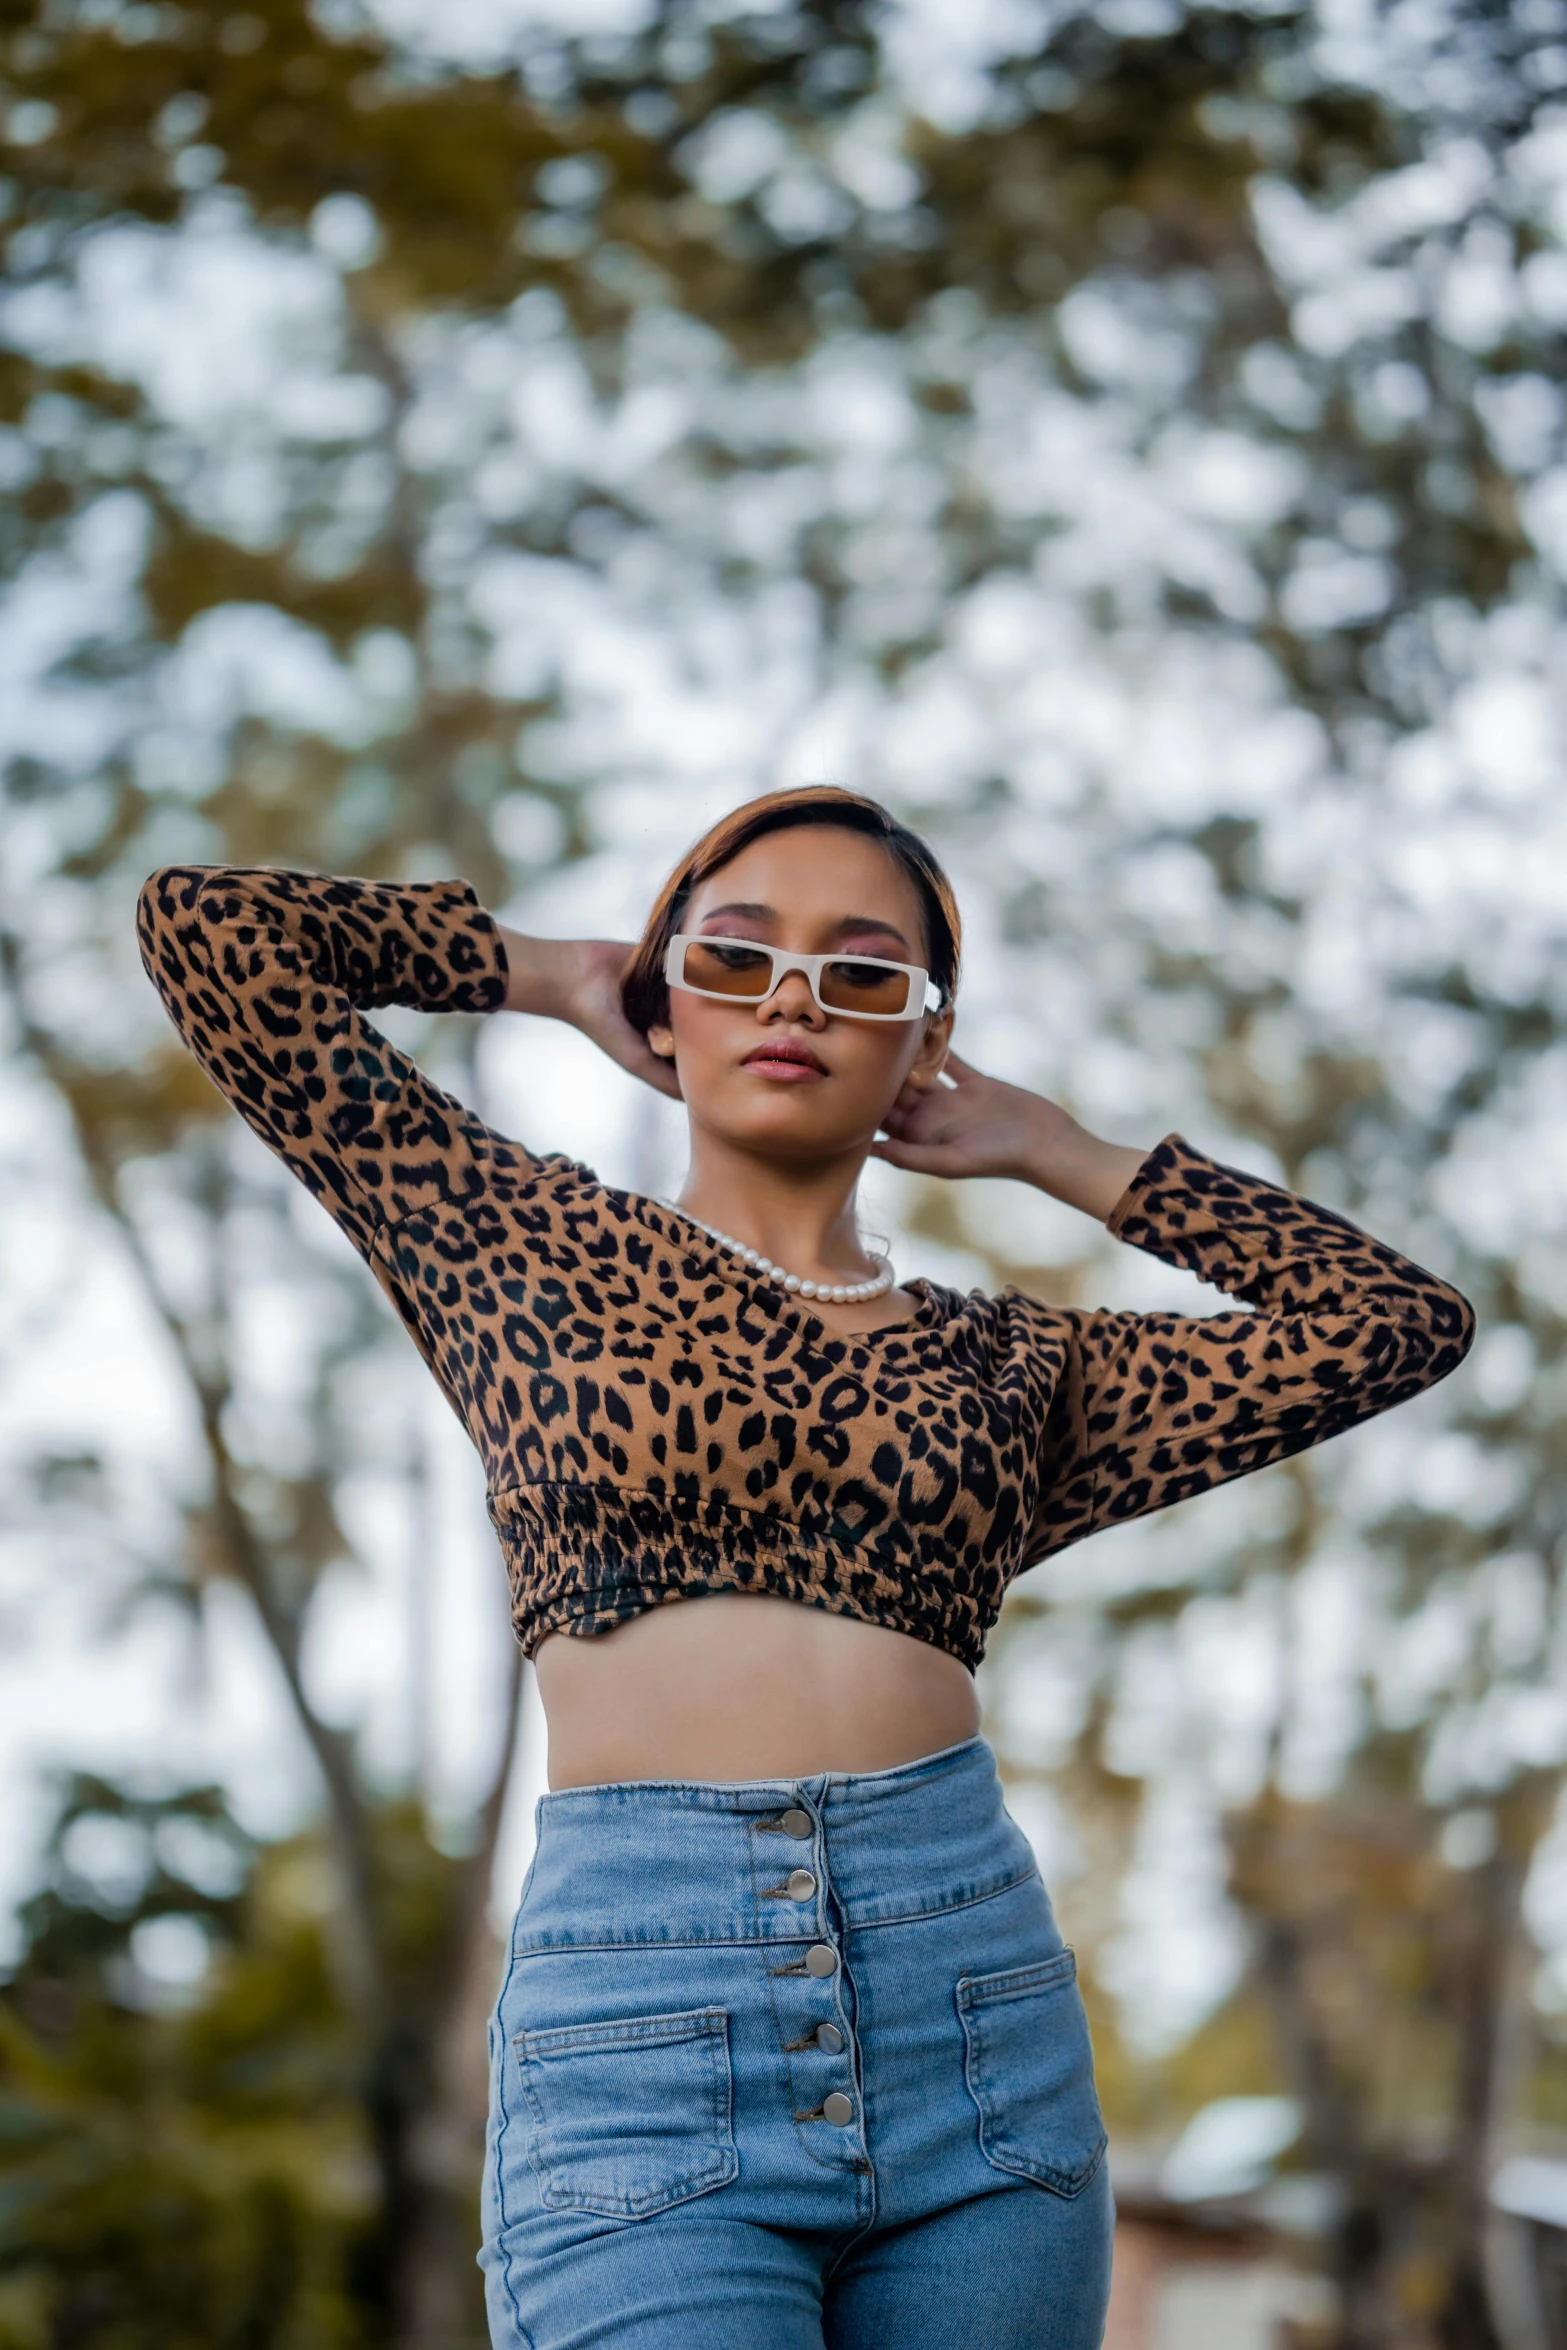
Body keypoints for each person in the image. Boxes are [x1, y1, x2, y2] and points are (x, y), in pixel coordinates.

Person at [136, 785, 1474, 2350]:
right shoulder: (520, 1239)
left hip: (971, 2021)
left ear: (925, 1041)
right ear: (671, 997)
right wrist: (559, 971)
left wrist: (1053, 1146)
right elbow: (205, 929)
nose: (790, 998)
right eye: (735, 956)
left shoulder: (1016, 1365)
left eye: (860, 973)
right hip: (643, 2013)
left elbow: (1390, 1322)